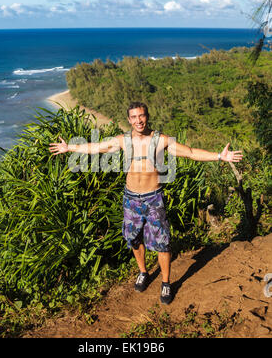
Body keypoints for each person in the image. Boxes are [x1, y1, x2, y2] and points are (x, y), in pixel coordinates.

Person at [49, 101, 243, 305]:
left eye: (141, 116)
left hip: (153, 198)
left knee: (162, 242)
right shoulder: (123, 140)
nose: (138, 120)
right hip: (131, 198)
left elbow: (192, 152)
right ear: (129, 120)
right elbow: (96, 147)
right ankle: (143, 271)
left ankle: (166, 282)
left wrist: (220, 156)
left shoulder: (161, 140)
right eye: (133, 117)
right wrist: (69, 147)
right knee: (133, 238)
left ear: (147, 116)